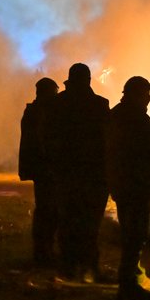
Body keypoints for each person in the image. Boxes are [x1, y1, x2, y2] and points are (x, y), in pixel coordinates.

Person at [47, 63, 112, 286]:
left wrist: (55, 166)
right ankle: (89, 267)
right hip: (94, 174)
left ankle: (68, 267)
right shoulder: (99, 105)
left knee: (68, 221)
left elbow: (47, 138)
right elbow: (108, 139)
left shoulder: (57, 104)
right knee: (91, 225)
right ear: (88, 80)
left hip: (67, 174)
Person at [106, 76, 150, 300]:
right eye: (146, 93)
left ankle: (129, 280)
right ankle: (128, 287)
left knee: (129, 233)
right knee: (137, 236)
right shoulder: (139, 118)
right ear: (136, 94)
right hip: (138, 185)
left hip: (121, 184)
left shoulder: (115, 114)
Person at [19, 77, 61, 268]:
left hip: (42, 169)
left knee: (46, 210)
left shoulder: (33, 111)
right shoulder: (40, 113)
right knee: (47, 210)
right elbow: (43, 142)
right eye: (55, 92)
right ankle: (43, 252)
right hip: (46, 169)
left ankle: (44, 250)